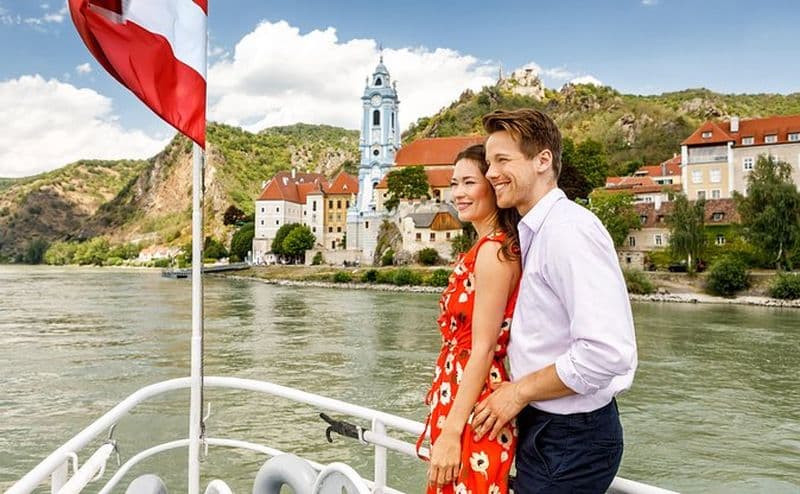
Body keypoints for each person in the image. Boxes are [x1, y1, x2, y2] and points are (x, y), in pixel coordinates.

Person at [470, 109, 638, 493]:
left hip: (572, 438)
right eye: (489, 161)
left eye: (502, 160)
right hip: (549, 429)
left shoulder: (569, 231)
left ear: (543, 160)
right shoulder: (536, 230)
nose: (491, 173)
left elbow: (606, 353)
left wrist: (518, 391)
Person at [417, 144, 522, 493]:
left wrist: (450, 432)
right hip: (462, 395)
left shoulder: (493, 252)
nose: (458, 193)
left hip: (475, 408)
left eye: (468, 183)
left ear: (493, 187)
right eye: (454, 183)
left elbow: (483, 348)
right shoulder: (485, 248)